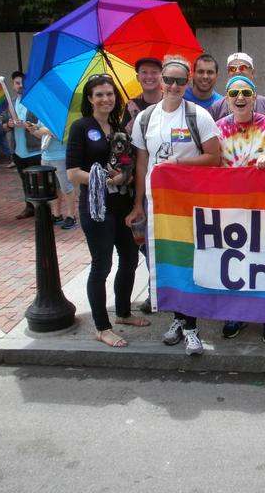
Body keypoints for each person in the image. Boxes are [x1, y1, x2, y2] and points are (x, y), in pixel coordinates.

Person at [126, 55, 221, 356]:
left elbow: (213, 158)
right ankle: (179, 320)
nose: (174, 85)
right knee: (167, 263)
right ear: (162, 80)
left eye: (181, 80)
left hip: (188, 203)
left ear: (188, 82)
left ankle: (191, 328)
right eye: (170, 79)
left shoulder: (198, 116)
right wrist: (137, 203)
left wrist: (179, 163)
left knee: (187, 263)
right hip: (157, 204)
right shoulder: (145, 118)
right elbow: (141, 162)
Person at [66, 74, 148, 348]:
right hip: (97, 208)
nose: (105, 99)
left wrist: (124, 175)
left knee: (130, 258)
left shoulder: (118, 127)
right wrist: (103, 177)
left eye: (109, 94)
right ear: (90, 99)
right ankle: (102, 327)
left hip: (122, 204)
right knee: (102, 266)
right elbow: (73, 173)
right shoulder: (81, 127)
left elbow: (128, 163)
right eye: (99, 94)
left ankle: (123, 312)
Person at [217, 75, 265, 344]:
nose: (240, 98)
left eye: (246, 92)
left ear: (255, 96)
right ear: (226, 98)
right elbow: (211, 166)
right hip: (230, 208)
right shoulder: (217, 128)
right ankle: (236, 313)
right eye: (234, 93)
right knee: (235, 260)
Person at [5, 71, 41, 220]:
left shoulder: (35, 101)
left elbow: (41, 124)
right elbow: (3, 126)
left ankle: (41, 207)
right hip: (18, 149)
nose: (20, 86)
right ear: (13, 85)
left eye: (23, 83)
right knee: (25, 180)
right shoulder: (11, 103)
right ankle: (29, 206)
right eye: (17, 83)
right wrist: (9, 124)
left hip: (34, 149)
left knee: (38, 180)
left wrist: (27, 125)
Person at [32, 125, 77, 230]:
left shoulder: (64, 117)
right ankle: (57, 214)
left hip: (61, 156)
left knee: (66, 187)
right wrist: (33, 130)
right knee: (53, 187)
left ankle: (71, 215)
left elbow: (64, 136)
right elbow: (39, 135)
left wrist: (46, 130)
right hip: (45, 155)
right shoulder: (44, 116)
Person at [208, 52, 265, 121]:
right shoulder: (217, 108)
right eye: (232, 69)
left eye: (243, 67)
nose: (237, 71)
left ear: (252, 72)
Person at [123, 57, 163, 135]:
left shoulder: (170, 102)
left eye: (154, 72)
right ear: (138, 78)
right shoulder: (132, 105)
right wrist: (134, 120)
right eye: (144, 72)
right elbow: (123, 137)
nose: (149, 77)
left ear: (162, 76)